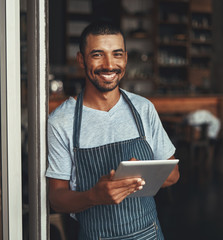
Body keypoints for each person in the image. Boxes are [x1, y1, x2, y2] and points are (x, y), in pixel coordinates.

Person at [46, 21, 180, 240]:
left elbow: (173, 175)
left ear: (125, 58)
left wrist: (139, 176)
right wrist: (93, 196)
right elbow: (56, 198)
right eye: (97, 55)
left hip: (150, 234)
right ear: (81, 60)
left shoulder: (143, 108)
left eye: (117, 54)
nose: (109, 65)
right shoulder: (61, 121)